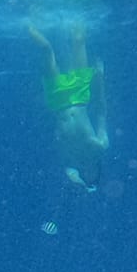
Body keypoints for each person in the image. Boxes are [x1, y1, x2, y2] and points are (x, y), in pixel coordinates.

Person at [28, 20, 108, 188]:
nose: (87, 172)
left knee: (45, 49)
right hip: (80, 95)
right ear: (97, 169)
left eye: (86, 176)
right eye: (92, 175)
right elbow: (101, 110)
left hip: (57, 100)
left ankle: (27, 21)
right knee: (78, 40)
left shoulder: (70, 162)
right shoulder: (100, 147)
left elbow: (69, 173)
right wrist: (100, 77)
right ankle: (80, 11)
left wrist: (81, 184)